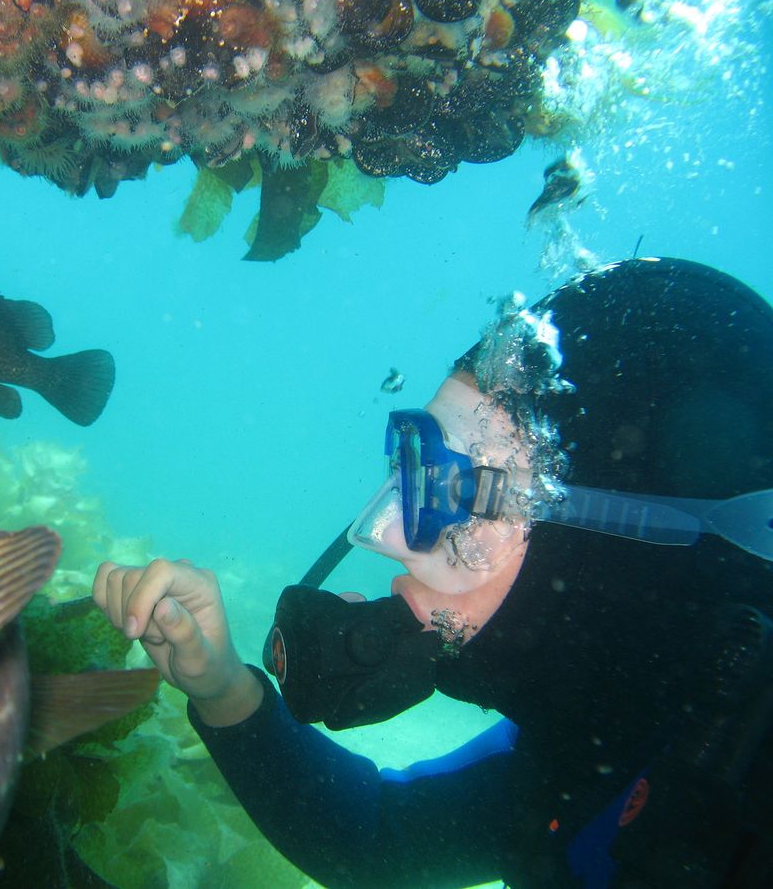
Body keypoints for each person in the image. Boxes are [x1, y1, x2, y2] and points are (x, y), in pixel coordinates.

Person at [93, 257, 773, 888]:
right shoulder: (585, 746)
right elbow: (375, 838)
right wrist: (222, 689)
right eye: (411, 475)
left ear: (623, 555)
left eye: (459, 499)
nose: (385, 535)